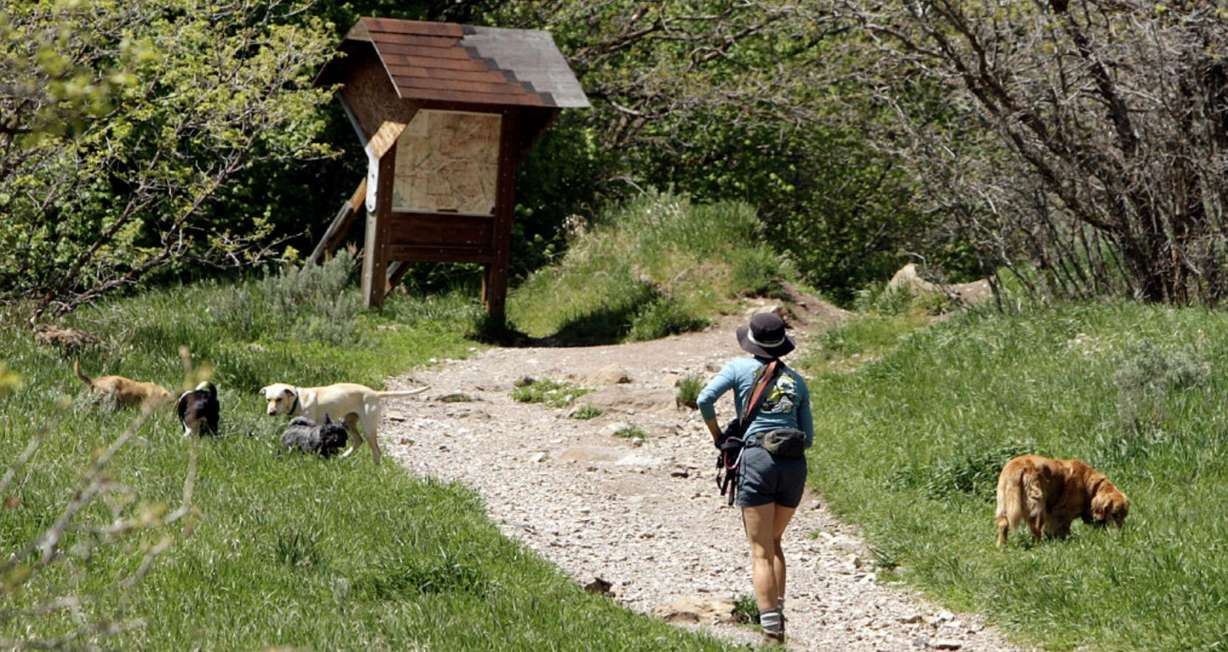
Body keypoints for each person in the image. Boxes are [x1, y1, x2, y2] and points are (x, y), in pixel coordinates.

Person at [697, 312, 813, 643]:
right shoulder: (798, 381)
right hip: (793, 465)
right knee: (775, 542)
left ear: (752, 342)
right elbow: (809, 436)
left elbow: (704, 399)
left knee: (760, 549)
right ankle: (780, 617)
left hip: (757, 460)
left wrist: (718, 434)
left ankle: (771, 633)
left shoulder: (738, 368)